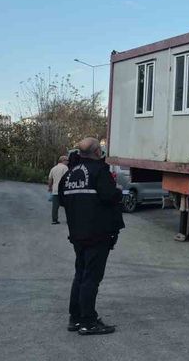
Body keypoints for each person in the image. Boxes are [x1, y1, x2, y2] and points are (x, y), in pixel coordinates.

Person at [58, 137, 124, 335]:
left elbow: (62, 200)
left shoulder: (69, 174)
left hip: (77, 234)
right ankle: (88, 322)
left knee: (80, 274)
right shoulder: (99, 171)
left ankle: (75, 318)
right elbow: (109, 196)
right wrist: (118, 192)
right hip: (97, 233)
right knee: (91, 278)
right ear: (97, 152)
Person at [47, 156, 69, 224]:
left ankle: (54, 220)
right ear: (63, 160)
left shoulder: (53, 168)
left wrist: (50, 187)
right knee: (67, 206)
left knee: (55, 206)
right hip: (63, 190)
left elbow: (50, 179)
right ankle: (69, 219)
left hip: (55, 190)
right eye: (67, 160)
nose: (68, 162)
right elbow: (67, 178)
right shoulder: (65, 168)